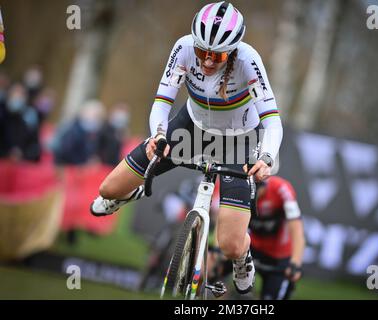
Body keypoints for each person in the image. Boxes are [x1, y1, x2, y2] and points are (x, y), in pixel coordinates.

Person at [90, 1, 283, 295]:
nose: (206, 60)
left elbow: (273, 122)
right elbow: (162, 101)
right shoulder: (182, 48)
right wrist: (158, 134)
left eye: (216, 55)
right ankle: (133, 191)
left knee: (230, 245)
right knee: (108, 189)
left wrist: (266, 157)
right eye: (201, 51)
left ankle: (243, 257)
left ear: (231, 50)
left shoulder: (248, 60)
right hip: (190, 128)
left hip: (237, 140)